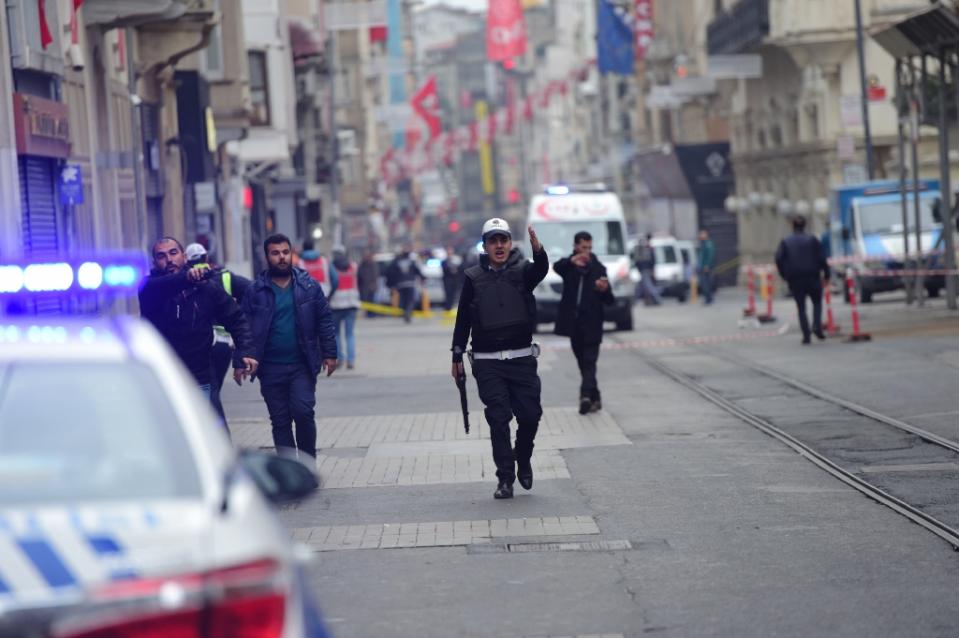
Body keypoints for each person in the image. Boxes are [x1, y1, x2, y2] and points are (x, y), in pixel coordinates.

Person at [451, 218, 549, 500]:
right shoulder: (472, 277)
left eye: (503, 240)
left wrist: (538, 250)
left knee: (530, 416)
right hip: (487, 361)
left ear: (509, 243)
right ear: (485, 245)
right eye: (493, 241)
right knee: (498, 418)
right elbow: (463, 319)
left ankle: (523, 456)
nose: (499, 246)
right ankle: (505, 477)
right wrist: (457, 353)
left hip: (521, 359)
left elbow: (541, 270)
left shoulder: (523, 272)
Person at [241, 233, 338, 461]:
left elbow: (324, 320)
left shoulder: (308, 286)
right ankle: (289, 470)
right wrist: (241, 358)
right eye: (275, 253)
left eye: (285, 252)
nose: (281, 257)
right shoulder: (255, 291)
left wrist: (330, 353)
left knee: (304, 413)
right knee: (280, 420)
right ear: (267, 257)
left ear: (292, 254)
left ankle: (306, 464)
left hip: (301, 365)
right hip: (270, 367)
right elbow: (243, 327)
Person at [139, 237, 258, 405]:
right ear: (154, 262)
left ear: (184, 257)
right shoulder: (149, 288)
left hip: (201, 375)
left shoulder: (206, 287)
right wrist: (186, 277)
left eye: (173, 253)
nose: (169, 259)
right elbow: (161, 285)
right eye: (161, 256)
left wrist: (244, 353)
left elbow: (235, 318)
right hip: (164, 377)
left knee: (213, 427)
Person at [184, 242, 252, 431]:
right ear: (207, 257)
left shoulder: (185, 279)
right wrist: (241, 308)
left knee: (210, 392)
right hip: (224, 343)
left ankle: (218, 439)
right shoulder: (225, 276)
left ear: (186, 260)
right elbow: (252, 290)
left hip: (203, 343)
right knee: (212, 391)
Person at [553, 231, 615, 415]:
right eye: (583, 247)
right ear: (575, 246)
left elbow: (610, 300)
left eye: (589, 248)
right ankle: (596, 397)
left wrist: (604, 290)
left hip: (593, 324)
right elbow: (557, 266)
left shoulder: (598, 268)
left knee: (589, 362)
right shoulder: (569, 266)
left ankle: (585, 396)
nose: (586, 251)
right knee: (583, 363)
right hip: (574, 325)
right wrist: (572, 261)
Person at [775, 215, 831, 344]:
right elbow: (822, 258)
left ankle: (806, 335)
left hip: (795, 279)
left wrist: (785, 275)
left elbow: (778, 259)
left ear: (793, 226)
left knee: (801, 307)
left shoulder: (785, 241)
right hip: (813, 276)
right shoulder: (813, 239)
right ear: (804, 225)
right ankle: (817, 326)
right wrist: (827, 275)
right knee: (817, 303)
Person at [329, 247, 360, 369]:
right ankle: (351, 361)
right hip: (352, 303)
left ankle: (340, 359)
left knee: (336, 333)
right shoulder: (353, 266)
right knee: (350, 334)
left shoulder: (331, 267)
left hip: (336, 304)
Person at [386, 244, 423, 323]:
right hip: (410, 283)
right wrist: (423, 278)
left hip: (400, 284)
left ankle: (405, 313)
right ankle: (407, 312)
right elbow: (417, 271)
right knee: (411, 300)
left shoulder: (396, 261)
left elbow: (390, 272)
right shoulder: (411, 261)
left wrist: (391, 284)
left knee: (403, 300)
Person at [634, 233, 661, 306]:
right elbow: (652, 261)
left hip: (644, 269)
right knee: (641, 287)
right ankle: (636, 301)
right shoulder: (648, 248)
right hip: (646, 269)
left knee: (649, 286)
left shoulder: (642, 249)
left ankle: (658, 300)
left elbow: (638, 261)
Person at [357, 249, 379, 316]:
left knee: (371, 300)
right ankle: (367, 313)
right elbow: (359, 275)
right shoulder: (362, 265)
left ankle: (372, 314)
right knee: (365, 300)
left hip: (370, 286)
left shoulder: (373, 264)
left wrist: (373, 284)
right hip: (363, 286)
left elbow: (375, 275)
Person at [441, 245, 464, 311]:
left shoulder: (456, 260)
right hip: (447, 280)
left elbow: (460, 269)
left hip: (455, 280)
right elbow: (444, 269)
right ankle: (448, 307)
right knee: (448, 293)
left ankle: (452, 306)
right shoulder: (444, 261)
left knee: (455, 294)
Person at [697, 229, 716, 304]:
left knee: (706, 283)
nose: (700, 235)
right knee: (704, 283)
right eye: (700, 234)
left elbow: (710, 255)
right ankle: (708, 298)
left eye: (702, 234)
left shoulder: (708, 244)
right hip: (702, 267)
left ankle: (709, 299)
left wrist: (707, 265)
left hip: (706, 267)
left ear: (706, 235)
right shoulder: (703, 244)